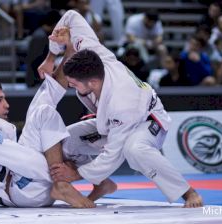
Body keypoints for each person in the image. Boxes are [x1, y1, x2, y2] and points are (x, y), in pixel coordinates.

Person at [38, 10, 203, 208]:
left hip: (148, 122)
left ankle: (189, 193)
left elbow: (113, 155)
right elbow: (71, 16)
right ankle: (102, 185)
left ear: (92, 82)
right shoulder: (91, 53)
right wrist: (51, 55)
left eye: (73, 83)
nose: (70, 86)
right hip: (113, 122)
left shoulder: (122, 102)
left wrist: (76, 173)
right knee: (65, 140)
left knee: (134, 149)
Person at [0, 77, 102, 208]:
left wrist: (58, 53)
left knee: (57, 131)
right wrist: (66, 174)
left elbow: (45, 97)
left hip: (30, 187)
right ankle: (63, 186)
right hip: (22, 189)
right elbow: (25, 161)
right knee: (43, 112)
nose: (6, 105)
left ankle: (99, 183)